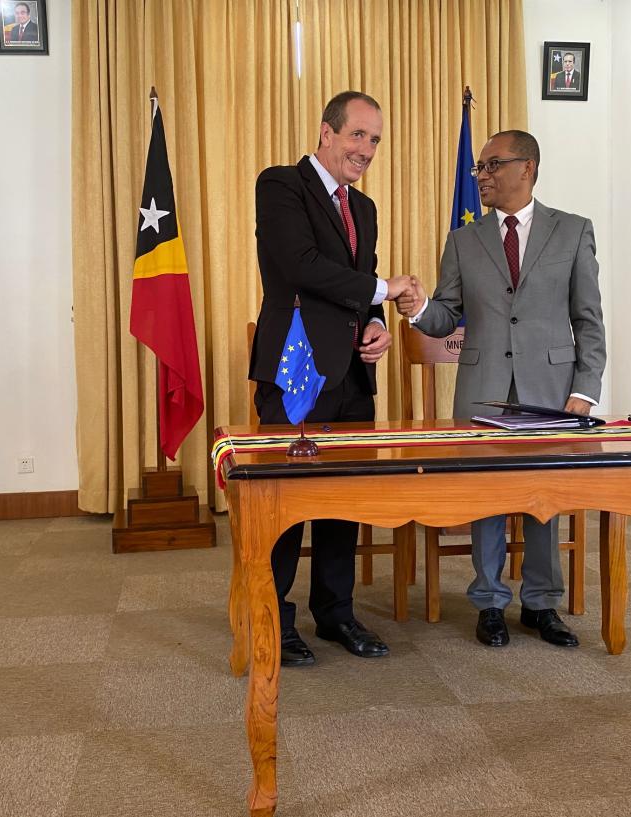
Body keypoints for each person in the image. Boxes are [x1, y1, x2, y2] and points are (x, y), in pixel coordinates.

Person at [395, 130, 605, 649]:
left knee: (542, 499)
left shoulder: (573, 230)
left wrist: (585, 390)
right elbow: (446, 315)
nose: (482, 176)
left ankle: (541, 604)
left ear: (526, 168)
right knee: (485, 494)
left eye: (492, 165)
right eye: (479, 168)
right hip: (483, 389)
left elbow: (588, 319)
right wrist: (420, 309)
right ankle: (489, 601)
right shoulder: (463, 240)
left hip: (551, 390)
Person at [250, 91, 416, 667]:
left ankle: (335, 612)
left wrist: (376, 324)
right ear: (327, 132)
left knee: (343, 500)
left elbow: (358, 284)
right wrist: (386, 292)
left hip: (350, 376)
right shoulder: (280, 185)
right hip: (295, 370)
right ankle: (272, 616)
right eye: (357, 135)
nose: (366, 149)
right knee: (284, 503)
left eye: (375, 139)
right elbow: (301, 266)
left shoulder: (363, 208)